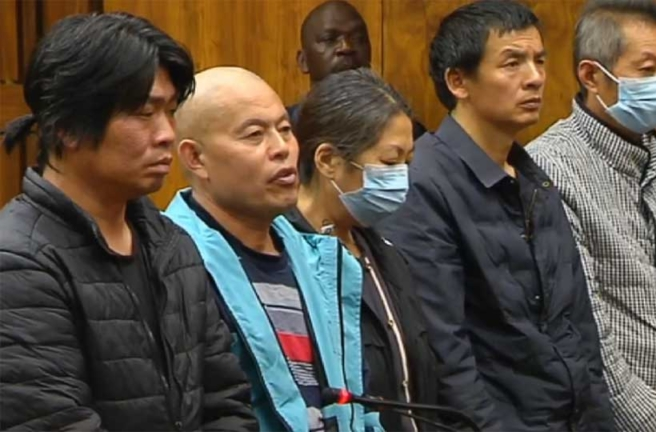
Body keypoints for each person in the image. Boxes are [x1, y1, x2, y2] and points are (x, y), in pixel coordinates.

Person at [0, 13, 257, 431]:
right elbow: (51, 420)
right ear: (66, 127)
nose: (166, 134)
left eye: (170, 112)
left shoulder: (173, 245)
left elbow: (226, 401)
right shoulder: (17, 261)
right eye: (143, 112)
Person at [378, 1, 613, 431]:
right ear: (458, 81)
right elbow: (446, 354)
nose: (536, 77)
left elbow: (578, 326)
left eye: (539, 60)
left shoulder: (533, 177)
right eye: (512, 63)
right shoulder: (424, 184)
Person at [526, 1, 656, 431]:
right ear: (592, 76)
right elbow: (583, 325)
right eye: (646, 70)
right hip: (616, 420)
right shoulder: (550, 169)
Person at [165, 66, 380, 432]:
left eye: (284, 129)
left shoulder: (322, 261)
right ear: (195, 158)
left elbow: (357, 406)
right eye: (254, 135)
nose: (282, 149)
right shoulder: (170, 265)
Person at [286, 67, 438, 432]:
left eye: (407, 161)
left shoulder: (383, 252)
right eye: (389, 162)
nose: (401, 176)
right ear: (327, 160)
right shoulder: (284, 256)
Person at [291, 0, 427, 139]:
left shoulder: (406, 131)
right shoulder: (284, 131)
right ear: (303, 61)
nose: (346, 47)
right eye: (329, 39)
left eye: (358, 38)